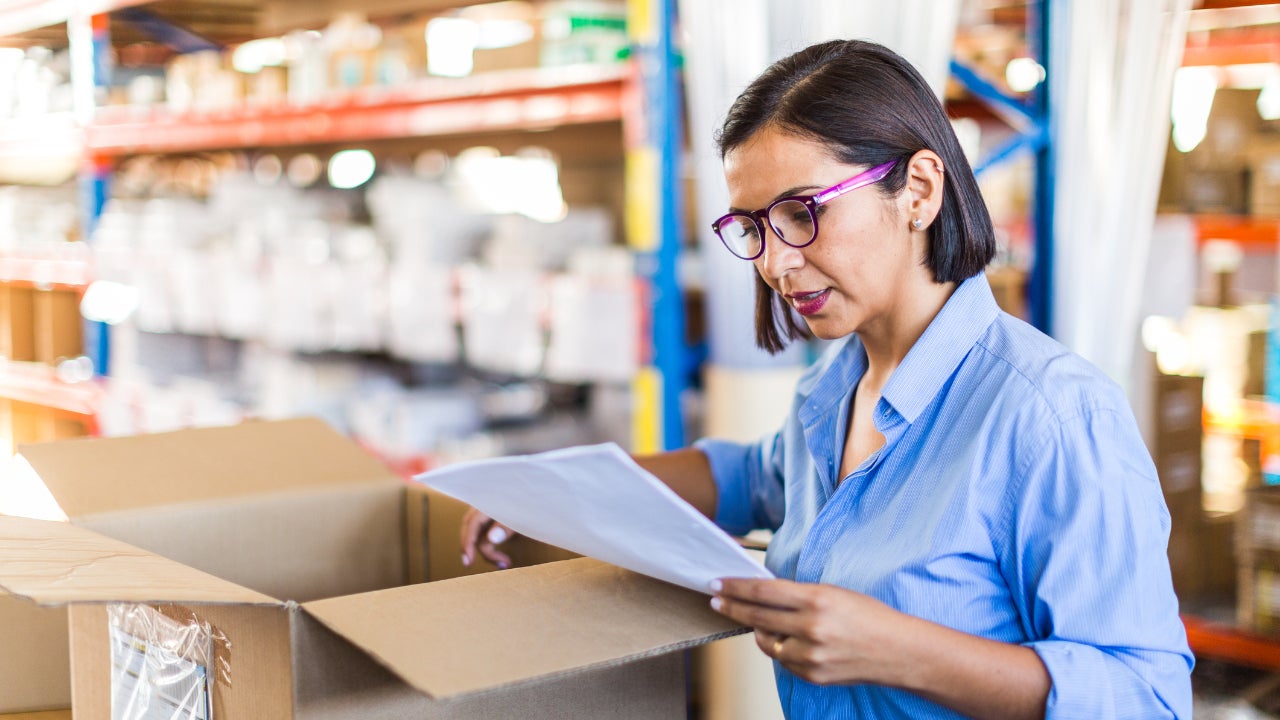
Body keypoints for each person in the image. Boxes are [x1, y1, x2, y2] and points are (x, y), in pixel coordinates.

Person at [461, 39, 1192, 720]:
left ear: (919, 191)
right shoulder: (833, 389)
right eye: (752, 228)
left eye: (801, 213)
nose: (774, 264)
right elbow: (750, 478)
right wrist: (553, 494)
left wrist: (903, 652)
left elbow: (1149, 696)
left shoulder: (1053, 417)